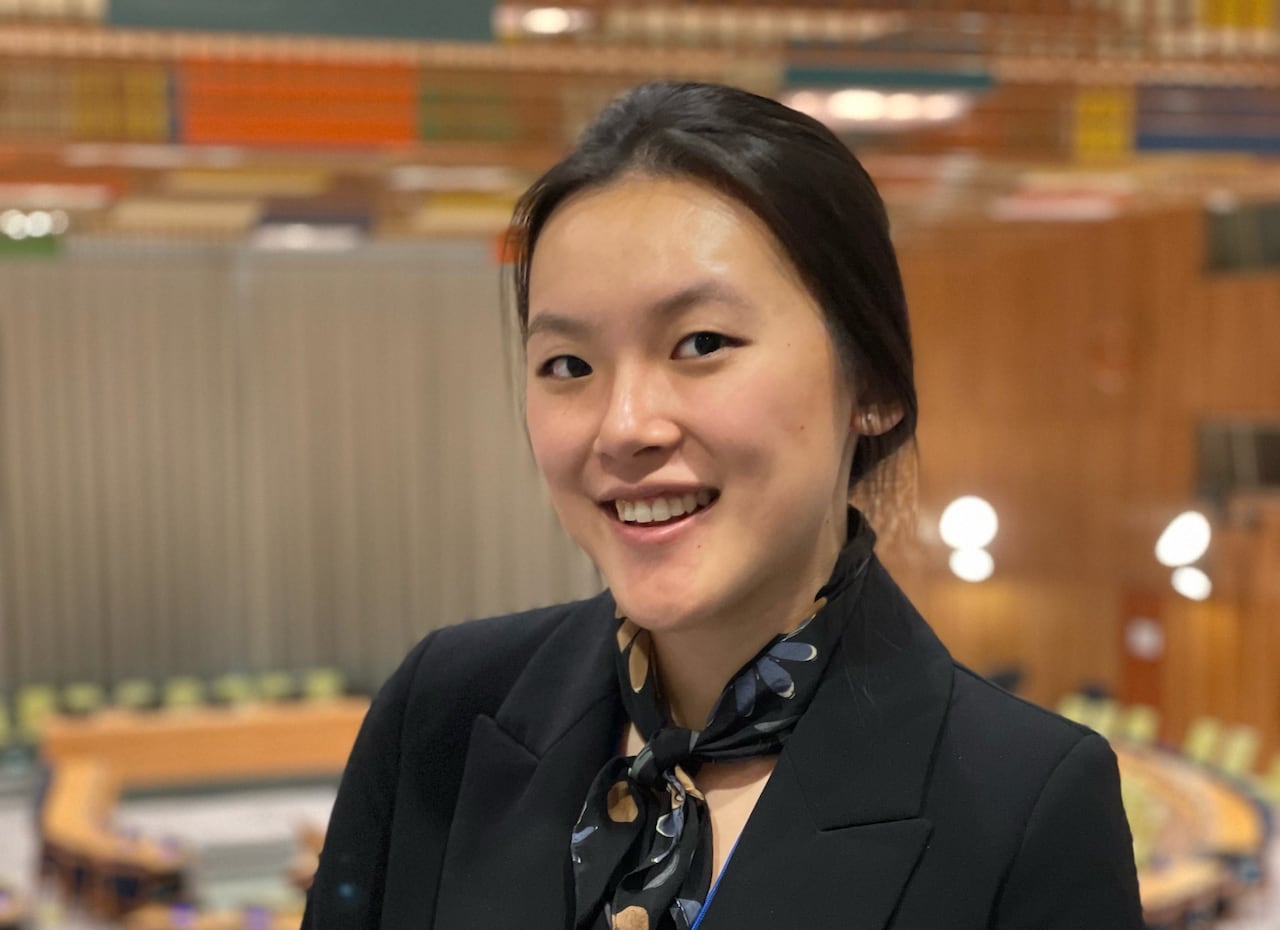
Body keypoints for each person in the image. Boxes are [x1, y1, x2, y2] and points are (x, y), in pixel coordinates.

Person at [303, 81, 1143, 930]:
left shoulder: (1025, 806)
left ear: (876, 384)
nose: (624, 427)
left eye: (701, 344)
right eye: (568, 365)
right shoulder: (442, 712)